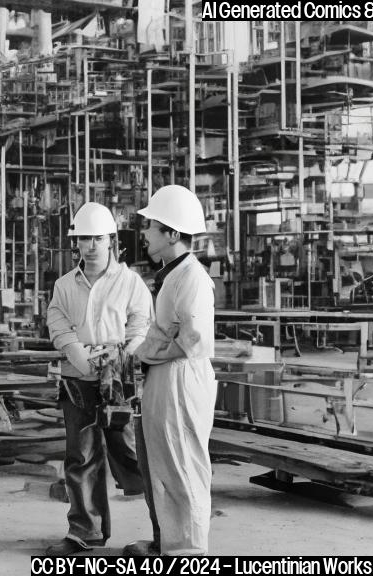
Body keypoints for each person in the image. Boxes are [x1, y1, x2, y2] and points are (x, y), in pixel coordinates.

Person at [43, 202, 152, 556]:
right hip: (77, 382)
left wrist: (125, 353)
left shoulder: (130, 282)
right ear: (76, 242)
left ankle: (167, 529)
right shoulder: (64, 285)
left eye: (98, 238)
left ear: (111, 240)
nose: (90, 245)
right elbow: (56, 319)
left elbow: (140, 322)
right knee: (81, 457)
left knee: (135, 455)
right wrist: (72, 348)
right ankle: (85, 532)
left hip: (117, 383)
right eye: (84, 238)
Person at [130, 184, 216, 557]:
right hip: (166, 378)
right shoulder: (172, 274)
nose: (145, 233)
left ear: (173, 234)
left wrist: (147, 352)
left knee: (183, 468)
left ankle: (189, 552)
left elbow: (193, 340)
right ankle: (169, 542)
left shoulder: (193, 279)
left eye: (151, 226)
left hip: (180, 380)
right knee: (164, 467)